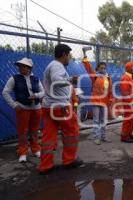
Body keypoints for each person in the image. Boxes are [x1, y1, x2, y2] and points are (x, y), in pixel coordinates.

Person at [39, 44, 82, 175]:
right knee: (71, 132)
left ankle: (45, 165)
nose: (69, 58)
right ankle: (69, 160)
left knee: (48, 136)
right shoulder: (57, 65)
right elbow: (57, 80)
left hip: (49, 106)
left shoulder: (51, 66)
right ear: (64, 55)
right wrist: (71, 79)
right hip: (60, 107)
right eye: (68, 55)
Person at [2, 57, 44, 163]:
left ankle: (35, 149)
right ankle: (23, 152)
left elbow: (43, 91)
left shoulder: (36, 79)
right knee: (23, 132)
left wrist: (36, 95)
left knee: (34, 131)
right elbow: (5, 92)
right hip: (23, 109)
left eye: (23, 66)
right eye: (19, 66)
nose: (20, 68)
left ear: (29, 68)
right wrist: (14, 105)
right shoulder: (14, 78)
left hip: (36, 108)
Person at [82, 49, 113, 145]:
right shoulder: (94, 76)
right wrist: (84, 54)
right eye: (101, 68)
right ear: (97, 68)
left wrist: (110, 100)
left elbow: (110, 91)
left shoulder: (108, 78)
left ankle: (103, 137)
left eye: (104, 68)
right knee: (96, 120)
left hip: (104, 102)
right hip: (96, 102)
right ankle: (96, 137)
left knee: (104, 120)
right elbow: (88, 67)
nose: (103, 69)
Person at [120, 62, 133, 143]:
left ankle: (129, 134)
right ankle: (124, 137)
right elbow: (125, 92)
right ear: (129, 68)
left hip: (132, 102)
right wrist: (129, 102)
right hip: (129, 103)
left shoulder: (131, 77)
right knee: (128, 119)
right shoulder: (125, 78)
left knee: (132, 119)